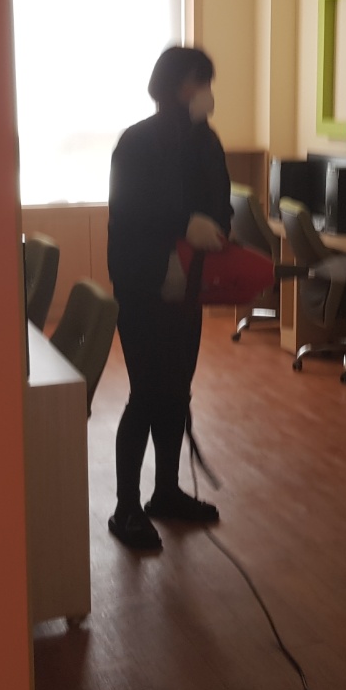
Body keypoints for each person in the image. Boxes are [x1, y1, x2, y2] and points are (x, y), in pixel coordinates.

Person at [107, 46, 233, 551]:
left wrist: (214, 230)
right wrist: (183, 225)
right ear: (173, 86)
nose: (205, 93)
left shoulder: (206, 141)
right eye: (198, 82)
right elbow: (132, 213)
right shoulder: (136, 142)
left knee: (177, 392)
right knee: (147, 393)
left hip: (189, 288)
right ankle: (126, 507)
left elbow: (220, 204)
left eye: (207, 83)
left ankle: (165, 491)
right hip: (144, 287)